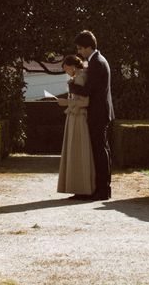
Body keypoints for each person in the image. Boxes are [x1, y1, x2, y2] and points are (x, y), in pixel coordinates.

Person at [69, 30, 114, 200]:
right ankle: (102, 189)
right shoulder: (98, 61)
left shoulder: (96, 63)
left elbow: (88, 91)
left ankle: (102, 191)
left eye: (80, 48)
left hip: (98, 112)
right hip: (100, 111)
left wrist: (72, 85)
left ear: (88, 47)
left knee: (100, 151)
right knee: (102, 150)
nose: (79, 52)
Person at [56, 54, 96, 199]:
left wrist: (66, 103)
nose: (66, 72)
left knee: (79, 152)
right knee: (77, 152)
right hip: (75, 118)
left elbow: (84, 102)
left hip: (79, 118)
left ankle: (82, 188)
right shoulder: (78, 77)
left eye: (66, 69)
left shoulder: (80, 77)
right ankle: (80, 187)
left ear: (72, 66)